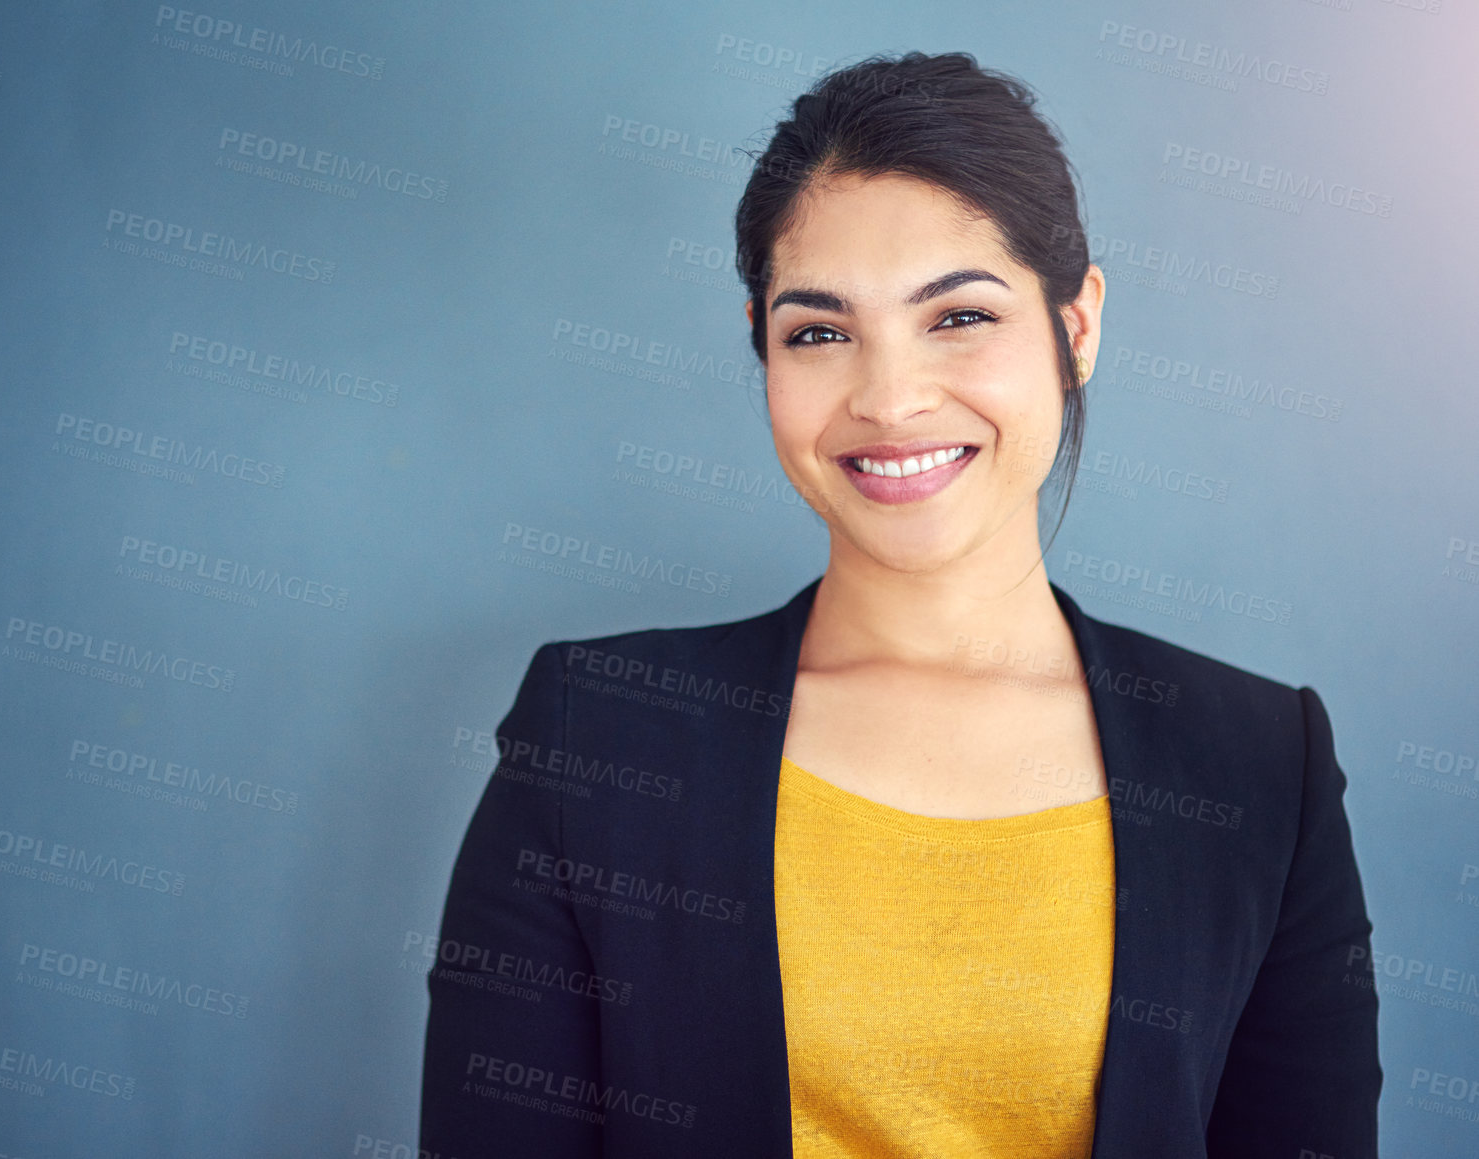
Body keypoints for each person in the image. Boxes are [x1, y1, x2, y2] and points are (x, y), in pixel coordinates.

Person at [420, 52, 1380, 1158]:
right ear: (762, 346)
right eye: (819, 332)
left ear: (1076, 328)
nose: (888, 399)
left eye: (959, 316)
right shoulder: (595, 729)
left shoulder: (1259, 763)